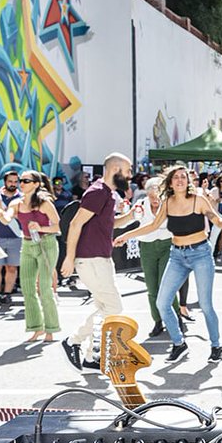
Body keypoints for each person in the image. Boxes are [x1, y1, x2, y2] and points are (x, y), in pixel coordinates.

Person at [115, 165, 222, 363]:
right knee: (161, 302)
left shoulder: (198, 200)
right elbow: (152, 226)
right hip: (177, 255)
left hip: (200, 253)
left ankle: (216, 346)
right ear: (170, 182)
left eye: (184, 177)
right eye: (176, 177)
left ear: (188, 181)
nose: (180, 180)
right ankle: (179, 343)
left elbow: (213, 217)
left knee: (206, 304)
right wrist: (126, 235)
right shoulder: (167, 202)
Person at [60, 153, 134, 371]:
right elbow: (75, 224)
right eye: (128, 171)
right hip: (91, 259)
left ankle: (91, 356)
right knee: (113, 307)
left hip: (100, 257)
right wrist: (69, 258)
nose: (130, 176)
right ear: (115, 169)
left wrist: (132, 216)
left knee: (104, 306)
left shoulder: (108, 194)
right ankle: (73, 340)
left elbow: (109, 224)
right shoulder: (98, 191)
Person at [115, 177, 178, 338]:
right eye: (151, 197)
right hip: (148, 247)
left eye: (157, 196)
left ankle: (176, 319)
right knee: (151, 286)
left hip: (167, 244)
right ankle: (157, 321)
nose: (155, 200)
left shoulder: (169, 203)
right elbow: (127, 221)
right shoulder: (141, 205)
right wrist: (123, 212)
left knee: (167, 284)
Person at [9, 170, 61, 341]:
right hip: (27, 244)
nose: (21, 183)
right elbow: (7, 217)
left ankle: (50, 329)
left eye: (26, 180)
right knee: (27, 288)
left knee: (44, 288)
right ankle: (36, 327)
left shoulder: (45, 203)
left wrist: (40, 227)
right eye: (20, 181)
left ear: (37, 184)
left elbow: (57, 227)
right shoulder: (17, 203)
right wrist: (2, 215)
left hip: (46, 244)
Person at [0, 169, 23, 306]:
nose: (13, 184)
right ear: (5, 182)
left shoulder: (22, 198)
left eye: (16, 182)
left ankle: (7, 294)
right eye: (10, 181)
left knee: (12, 268)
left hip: (16, 237)